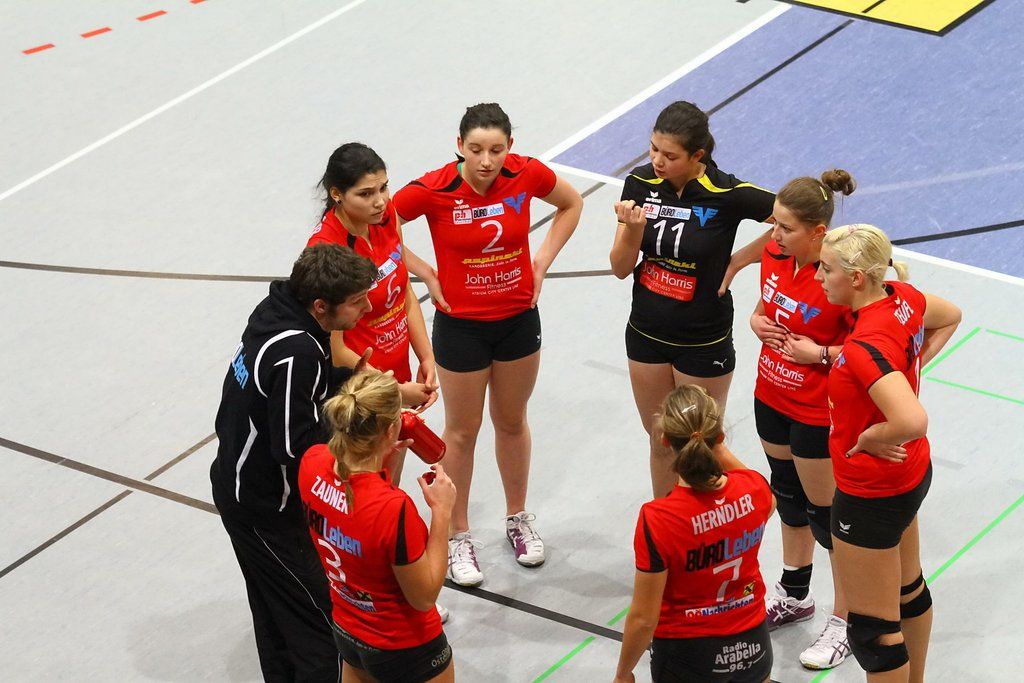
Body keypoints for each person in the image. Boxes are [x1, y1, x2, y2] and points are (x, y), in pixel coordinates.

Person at [393, 102, 583, 586]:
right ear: (459, 146)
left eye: (496, 150)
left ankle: (518, 519)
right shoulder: (434, 188)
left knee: (512, 421)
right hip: (461, 327)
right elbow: (380, 223)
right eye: (475, 149)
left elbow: (571, 203)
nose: (486, 160)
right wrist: (425, 272)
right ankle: (457, 535)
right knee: (461, 431)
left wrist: (541, 262)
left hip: (518, 321)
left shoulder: (525, 173)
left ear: (509, 147)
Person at [211, 243, 377, 682]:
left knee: (275, 614)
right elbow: (295, 445)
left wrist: (347, 380)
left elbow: (297, 396)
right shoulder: (297, 351)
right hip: (265, 509)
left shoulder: (278, 309)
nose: (367, 308)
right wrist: (359, 416)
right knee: (320, 622)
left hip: (237, 485)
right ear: (321, 305)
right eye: (357, 301)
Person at [816, 224, 961, 682]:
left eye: (826, 269)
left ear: (856, 278)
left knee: (872, 633)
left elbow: (912, 419)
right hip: (910, 472)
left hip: (871, 490)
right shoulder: (903, 296)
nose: (819, 277)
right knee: (908, 590)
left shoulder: (864, 346)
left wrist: (873, 435)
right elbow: (951, 315)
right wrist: (907, 372)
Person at [610, 101, 775, 498]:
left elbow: (800, 218)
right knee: (661, 439)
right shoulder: (639, 184)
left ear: (697, 155)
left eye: (670, 156)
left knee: (699, 446)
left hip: (702, 340)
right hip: (646, 333)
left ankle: (718, 519)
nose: (657, 161)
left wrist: (738, 260)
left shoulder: (727, 192)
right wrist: (632, 230)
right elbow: (620, 267)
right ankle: (666, 521)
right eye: (653, 149)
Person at [749, 171, 856, 669]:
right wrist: (756, 321)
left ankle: (846, 620)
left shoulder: (841, 275)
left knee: (828, 519)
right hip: (770, 395)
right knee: (788, 499)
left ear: (818, 231)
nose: (774, 236)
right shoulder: (775, 256)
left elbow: (872, 349)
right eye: (773, 224)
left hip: (816, 411)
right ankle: (795, 595)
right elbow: (764, 305)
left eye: (785, 228)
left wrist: (822, 354)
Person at [299, 371, 456, 682]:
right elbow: (424, 597)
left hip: (348, 631)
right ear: (390, 430)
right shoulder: (393, 509)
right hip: (405, 646)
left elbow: (355, 515)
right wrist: (442, 512)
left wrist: (384, 462)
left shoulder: (311, 463)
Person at [614, 385, 776, 683]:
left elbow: (644, 618)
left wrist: (623, 673)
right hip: (753, 643)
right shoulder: (754, 489)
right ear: (720, 437)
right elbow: (769, 502)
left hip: (688, 653)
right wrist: (716, 446)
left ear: (664, 439)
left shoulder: (658, 518)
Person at [308, 142, 439, 483]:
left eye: (383, 188)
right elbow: (336, 349)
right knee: (361, 488)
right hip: (360, 391)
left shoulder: (386, 216)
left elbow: (404, 293)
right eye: (366, 194)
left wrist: (426, 356)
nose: (379, 200)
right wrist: (392, 390)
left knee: (389, 483)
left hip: (397, 374)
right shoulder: (327, 250)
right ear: (337, 194)